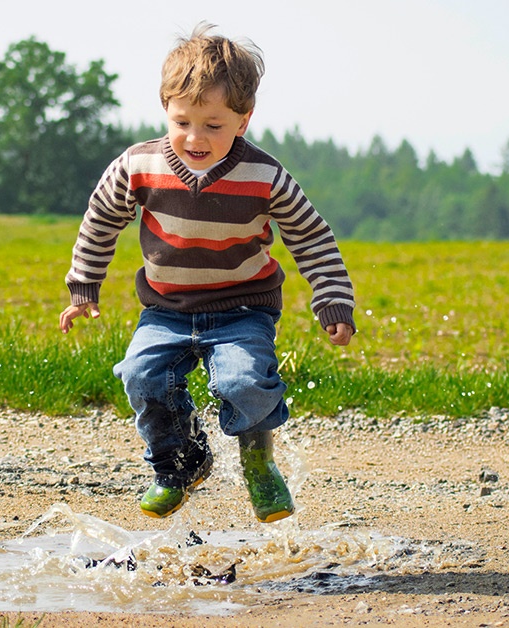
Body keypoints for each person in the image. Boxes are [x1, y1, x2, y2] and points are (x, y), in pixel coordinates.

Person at [59, 23, 355, 524]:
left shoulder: (266, 177)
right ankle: (180, 463)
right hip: (166, 309)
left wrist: (332, 300)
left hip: (243, 308)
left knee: (242, 383)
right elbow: (101, 218)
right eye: (183, 122)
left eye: (213, 125)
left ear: (243, 120)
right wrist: (84, 284)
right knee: (141, 376)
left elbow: (311, 237)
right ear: (166, 111)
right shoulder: (138, 165)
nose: (195, 138)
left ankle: (259, 459)